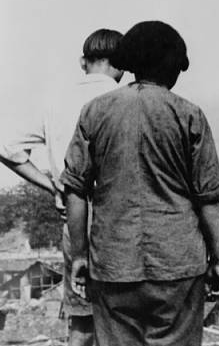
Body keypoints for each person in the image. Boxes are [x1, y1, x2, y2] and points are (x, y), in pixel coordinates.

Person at [61, 20, 219, 346]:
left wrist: (80, 256)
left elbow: (75, 191)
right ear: (174, 67)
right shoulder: (189, 115)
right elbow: (208, 197)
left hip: (113, 265)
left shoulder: (94, 111)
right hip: (177, 266)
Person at [0, 29, 124, 346]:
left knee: (82, 323)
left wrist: (54, 186)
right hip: (122, 220)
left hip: (75, 220)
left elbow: (7, 147)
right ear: (123, 63)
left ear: (84, 62)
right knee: (124, 322)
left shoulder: (56, 100)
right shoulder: (125, 98)